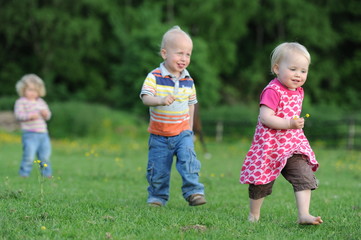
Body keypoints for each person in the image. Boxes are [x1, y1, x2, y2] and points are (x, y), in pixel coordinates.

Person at [240, 42, 323, 225]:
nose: (298, 75)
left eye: (303, 71)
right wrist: (289, 123)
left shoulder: (298, 91)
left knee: (303, 174)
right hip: (270, 145)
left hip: (292, 145)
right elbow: (265, 117)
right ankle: (254, 215)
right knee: (261, 181)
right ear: (277, 68)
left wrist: (294, 125)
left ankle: (304, 214)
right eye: (293, 69)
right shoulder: (273, 90)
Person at [140, 26, 206, 207]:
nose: (184, 59)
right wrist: (159, 100)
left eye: (188, 54)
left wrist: (189, 129)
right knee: (158, 169)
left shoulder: (188, 80)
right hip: (159, 135)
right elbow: (146, 98)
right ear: (164, 53)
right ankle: (157, 197)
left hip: (182, 132)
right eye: (179, 53)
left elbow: (191, 105)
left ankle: (194, 192)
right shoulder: (154, 76)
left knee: (189, 162)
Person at [14, 74, 52, 178]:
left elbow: (48, 115)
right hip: (29, 134)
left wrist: (45, 114)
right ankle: (24, 174)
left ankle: (46, 174)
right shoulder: (21, 102)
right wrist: (29, 116)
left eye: (35, 90)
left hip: (43, 134)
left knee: (45, 156)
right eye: (30, 90)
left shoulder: (41, 102)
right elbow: (19, 115)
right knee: (29, 156)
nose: (32, 93)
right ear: (23, 89)